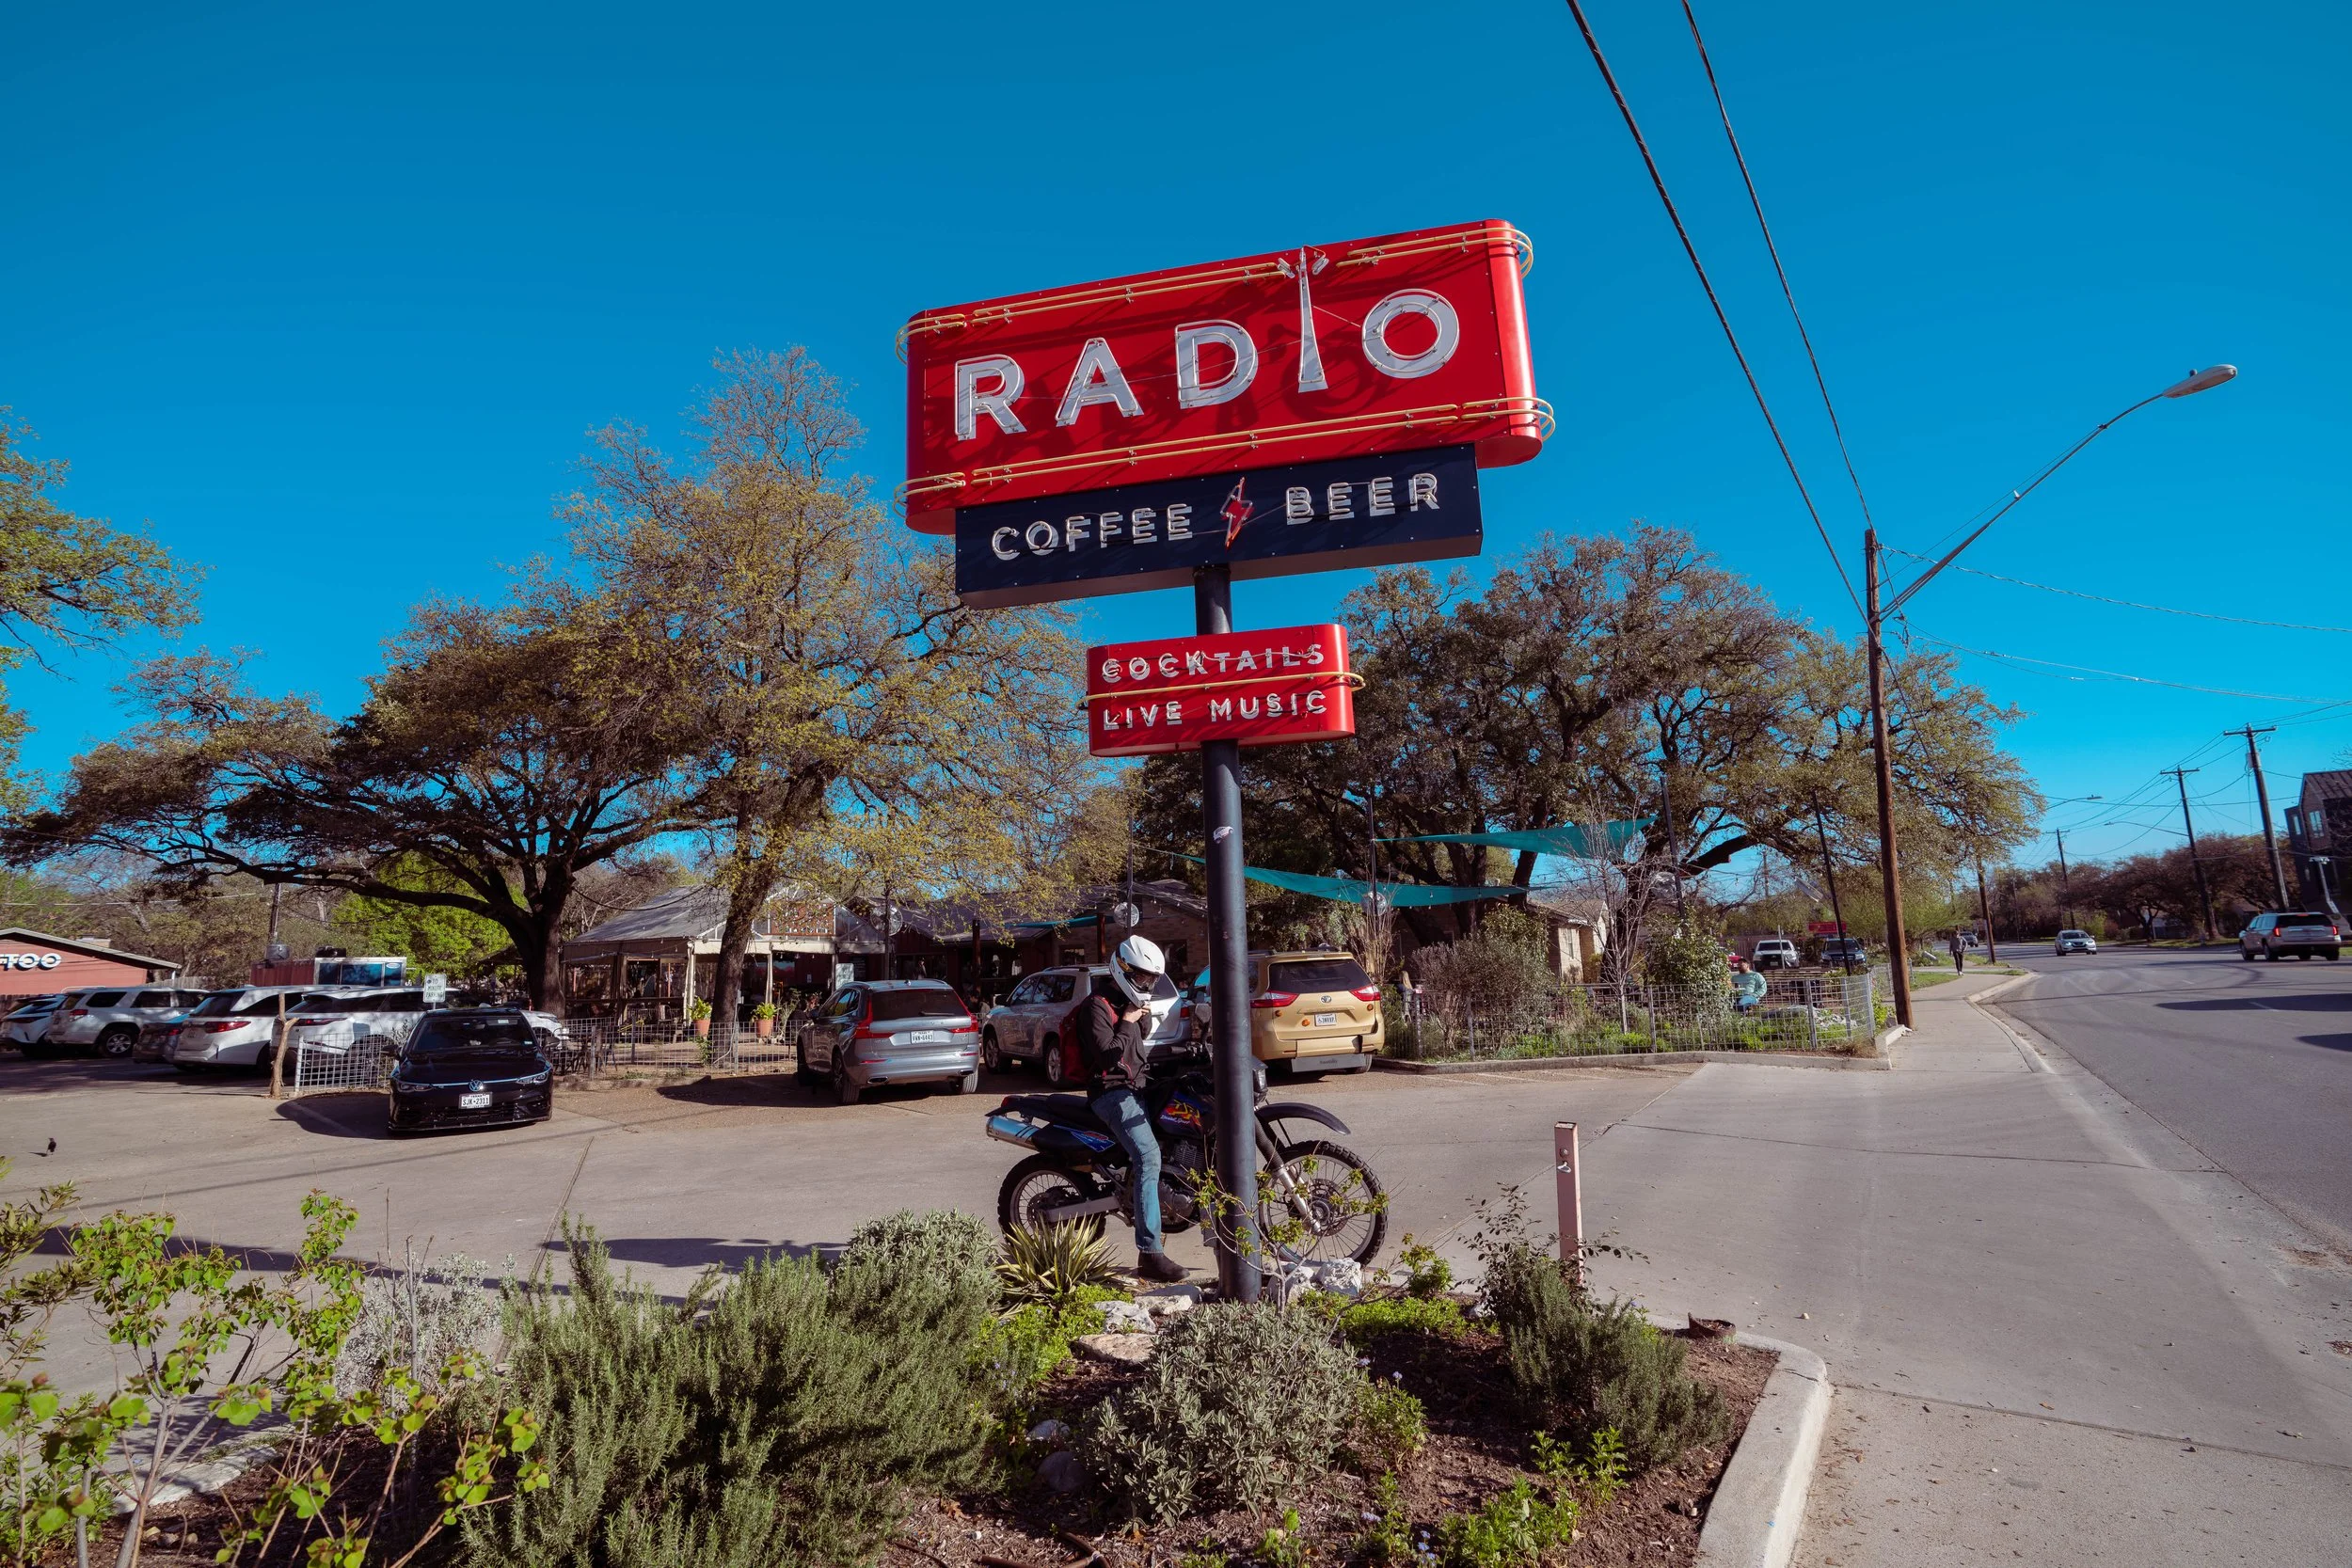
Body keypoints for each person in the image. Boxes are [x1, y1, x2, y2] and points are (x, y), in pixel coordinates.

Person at [1077, 935, 1187, 1283]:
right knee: (1148, 1156)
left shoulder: (1131, 1004)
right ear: (1122, 969)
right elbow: (1107, 1055)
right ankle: (1150, 1254)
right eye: (1142, 978)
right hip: (1111, 1094)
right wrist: (1127, 1019)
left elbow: (1141, 1047)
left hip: (1137, 1087)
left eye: (1151, 980)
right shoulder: (1095, 1007)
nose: (1147, 985)